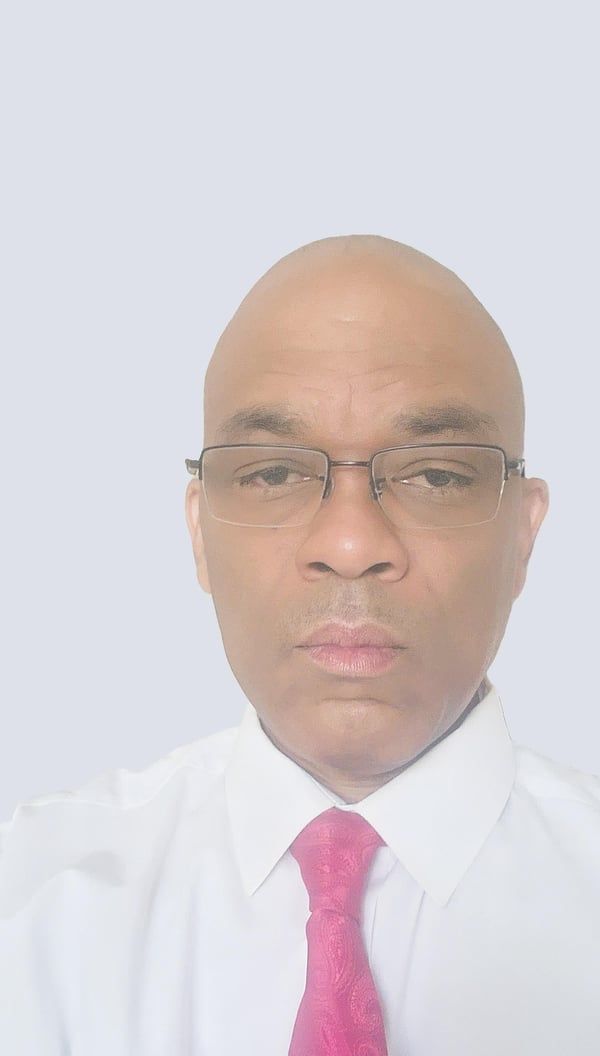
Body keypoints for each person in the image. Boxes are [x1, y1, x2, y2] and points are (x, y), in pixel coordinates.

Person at [1, 235, 598, 1055]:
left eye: (435, 474)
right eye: (274, 473)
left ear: (523, 536)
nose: (351, 544)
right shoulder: (29, 907)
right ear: (199, 534)